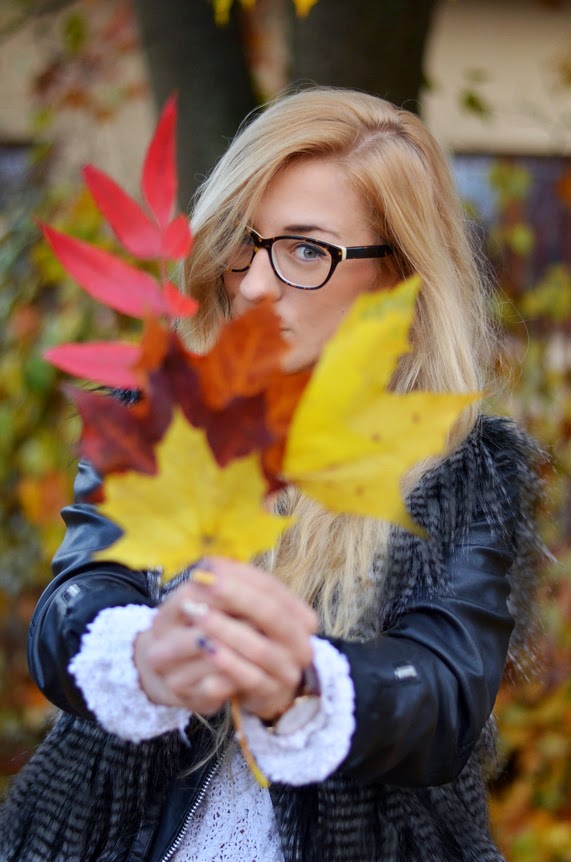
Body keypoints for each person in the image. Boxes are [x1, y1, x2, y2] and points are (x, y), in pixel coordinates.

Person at [0, 87, 545, 862]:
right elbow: (71, 604)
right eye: (244, 242)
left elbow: (445, 696)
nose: (254, 284)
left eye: (305, 250)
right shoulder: (160, 410)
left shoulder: (458, 466)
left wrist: (301, 682)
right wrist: (139, 651)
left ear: (398, 279)